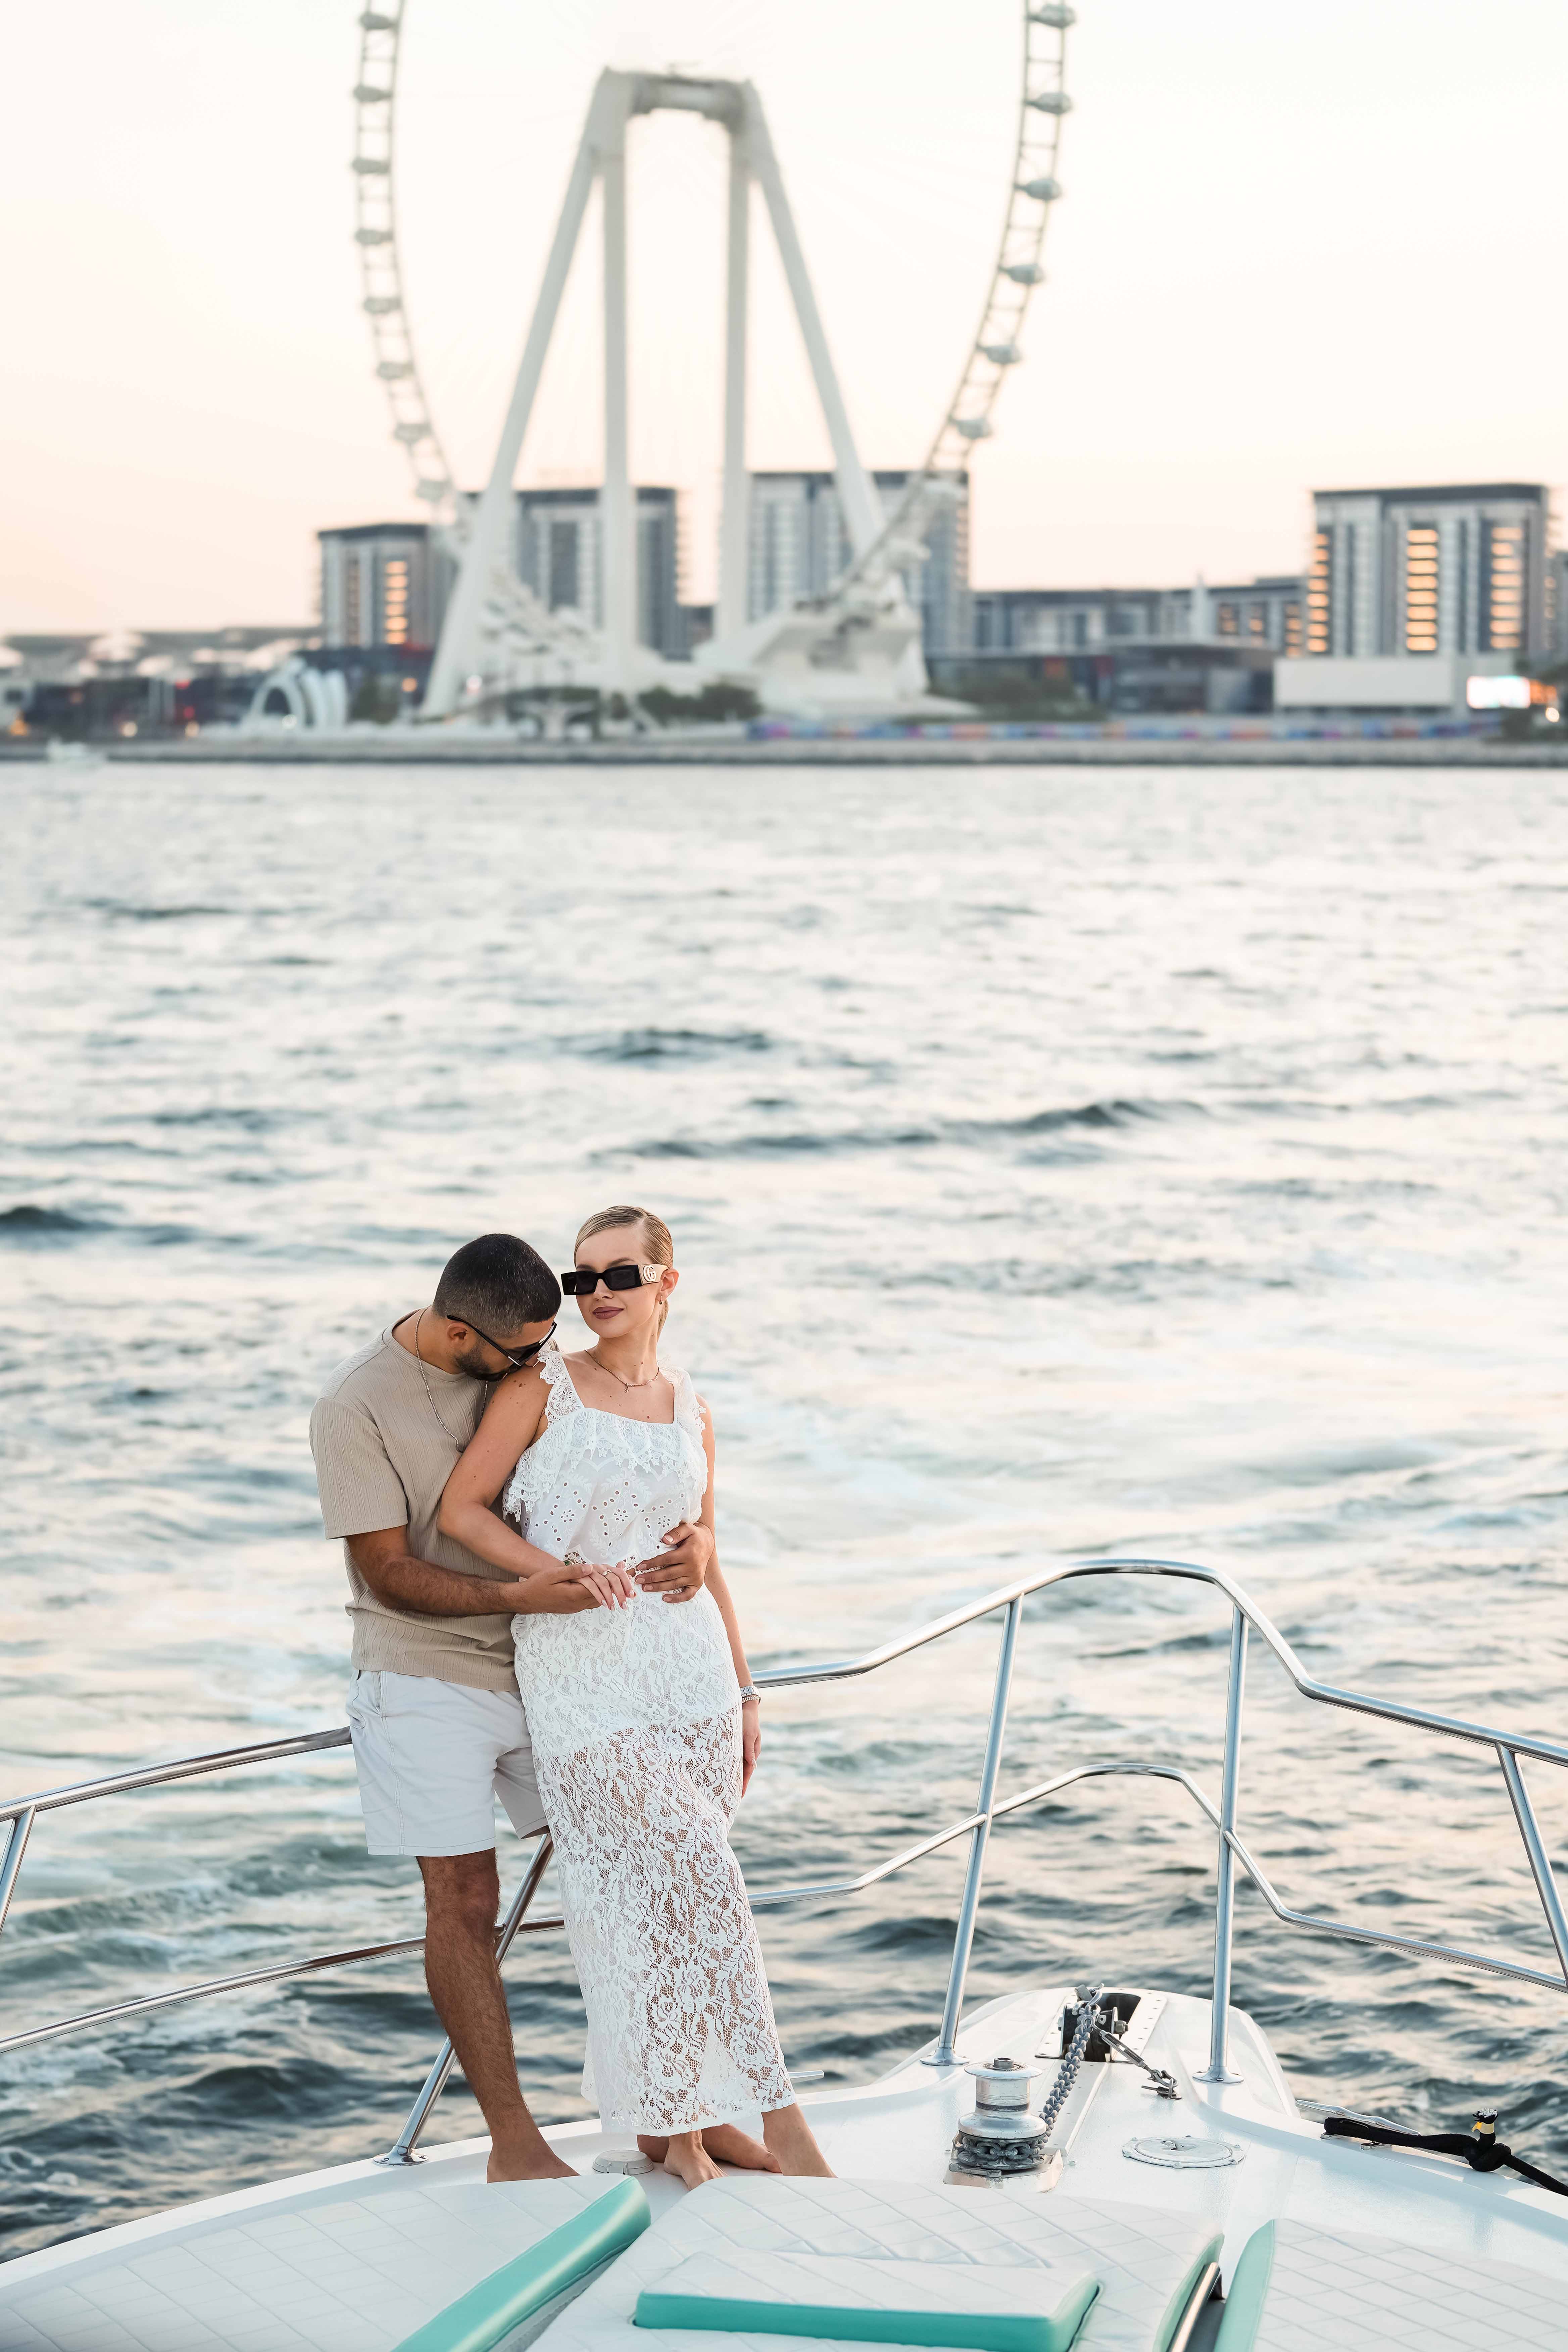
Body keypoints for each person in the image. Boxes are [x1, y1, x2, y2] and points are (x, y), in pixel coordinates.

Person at [440, 1205, 832, 2189]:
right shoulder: (541, 1388)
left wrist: (744, 1690)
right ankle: (780, 2116)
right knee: (699, 1875)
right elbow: (462, 1512)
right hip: (583, 1681)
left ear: (666, 1282)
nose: (599, 1294)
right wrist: (551, 1574)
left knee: (665, 1911)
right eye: (583, 1279)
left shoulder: (691, 1403)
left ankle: (680, 2131)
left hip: (691, 1680)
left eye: (620, 1274)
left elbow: (706, 1551)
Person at [309, 1232, 714, 2182]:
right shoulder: (354, 1407)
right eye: (524, 1351)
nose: (542, 1360)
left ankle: (674, 2114)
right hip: (424, 1676)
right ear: (462, 1335)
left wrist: (696, 1542)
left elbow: (628, 1480)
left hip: (553, 1668)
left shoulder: (527, 1373)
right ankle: (515, 2143)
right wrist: (519, 1594)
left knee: (649, 1862)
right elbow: (388, 1572)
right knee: (465, 1901)